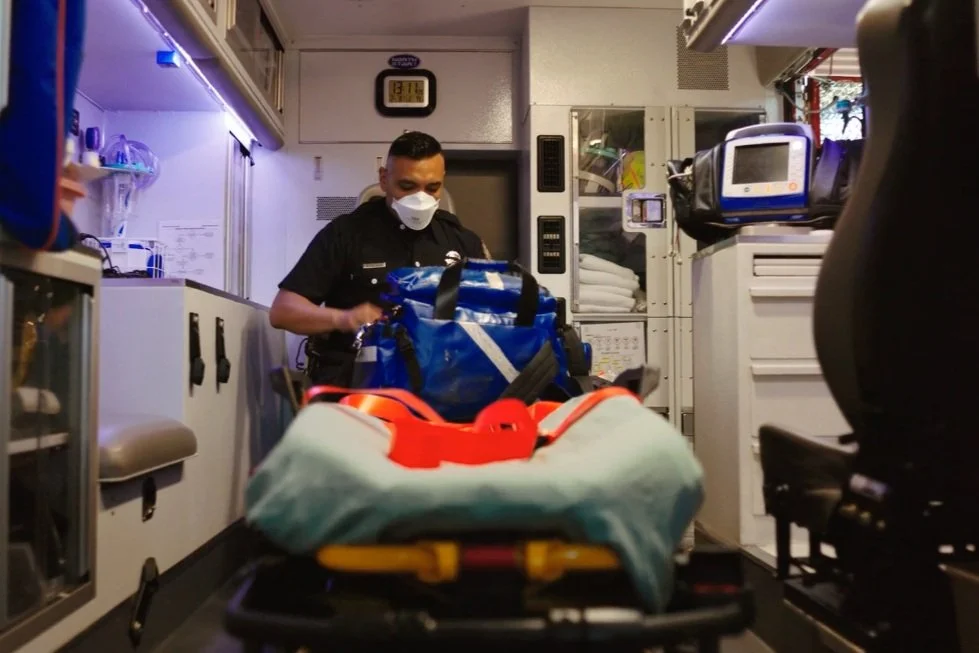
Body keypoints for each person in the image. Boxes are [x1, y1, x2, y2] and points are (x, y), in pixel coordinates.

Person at [269, 131, 487, 385]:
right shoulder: (346, 234)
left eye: (432, 188)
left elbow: (493, 313)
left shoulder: (462, 240)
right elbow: (283, 312)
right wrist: (344, 319)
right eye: (407, 186)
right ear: (384, 179)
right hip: (357, 386)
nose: (421, 198)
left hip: (440, 387)